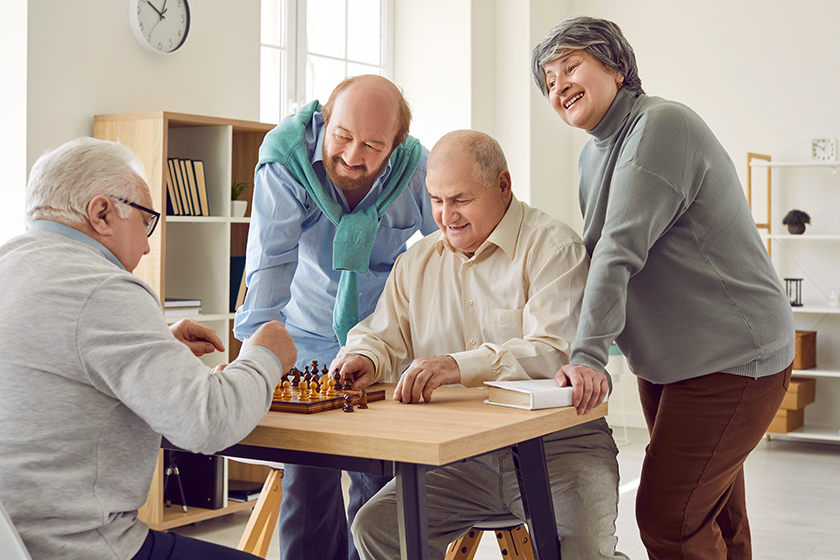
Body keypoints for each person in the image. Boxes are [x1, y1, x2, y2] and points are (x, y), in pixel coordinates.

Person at [531, 16, 795, 560]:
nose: (559, 87)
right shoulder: (591, 154)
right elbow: (594, 256)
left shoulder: (661, 126)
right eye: (549, 81)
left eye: (570, 67)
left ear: (618, 67)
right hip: (669, 364)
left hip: (731, 358)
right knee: (716, 513)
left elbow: (617, 251)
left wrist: (588, 357)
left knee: (668, 519)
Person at [331, 130, 628, 560]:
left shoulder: (553, 247)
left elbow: (553, 352)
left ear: (503, 185)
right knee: (377, 527)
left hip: (560, 450)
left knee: (580, 553)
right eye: (436, 200)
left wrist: (458, 366)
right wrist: (366, 356)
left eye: (460, 200)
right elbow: (381, 335)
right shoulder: (416, 262)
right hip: (461, 458)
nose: (445, 216)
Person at [0, 137, 298, 560]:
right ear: (101, 212)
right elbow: (208, 422)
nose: (146, 245)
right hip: (79, 547)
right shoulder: (103, 287)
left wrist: (157, 342)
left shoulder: (12, 265)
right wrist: (266, 353)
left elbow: (63, 366)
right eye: (146, 221)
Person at [233, 74, 437, 560]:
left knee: (380, 478)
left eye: (372, 145)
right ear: (324, 120)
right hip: (304, 330)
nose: (351, 156)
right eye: (342, 137)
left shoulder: (418, 170)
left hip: (383, 342)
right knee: (308, 479)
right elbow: (269, 261)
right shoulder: (286, 159)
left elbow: (446, 256)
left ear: (396, 145)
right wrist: (251, 363)